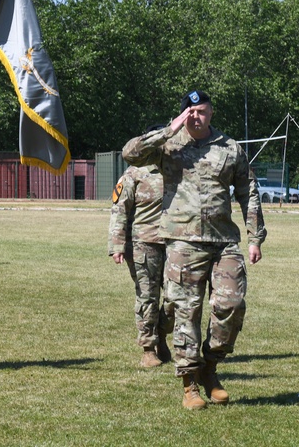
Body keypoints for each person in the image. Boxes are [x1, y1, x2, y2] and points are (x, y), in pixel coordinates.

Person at [122, 90, 266, 410]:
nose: (196, 117)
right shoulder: (169, 145)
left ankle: (210, 368)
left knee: (231, 304)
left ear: (211, 112)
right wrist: (169, 129)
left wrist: (255, 237)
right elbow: (130, 153)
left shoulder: (229, 148)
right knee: (186, 310)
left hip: (224, 241)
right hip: (183, 241)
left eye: (202, 111)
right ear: (184, 114)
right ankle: (190, 383)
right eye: (191, 112)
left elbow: (249, 192)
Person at [108, 133, 173, 368]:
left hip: (177, 243)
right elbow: (119, 210)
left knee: (176, 298)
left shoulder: (177, 168)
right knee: (148, 297)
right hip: (143, 244)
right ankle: (148, 348)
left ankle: (163, 335)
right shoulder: (134, 173)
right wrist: (117, 245)